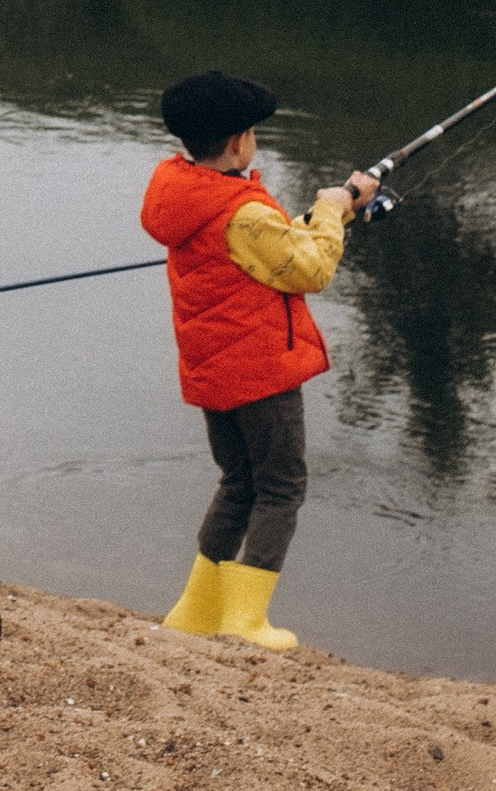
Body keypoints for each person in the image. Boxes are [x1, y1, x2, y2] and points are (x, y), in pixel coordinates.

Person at [144, 70, 377, 654]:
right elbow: (310, 270)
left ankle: (195, 611)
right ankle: (246, 621)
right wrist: (332, 206)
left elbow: (267, 251)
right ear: (238, 141)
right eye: (252, 133)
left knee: (238, 481)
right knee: (281, 486)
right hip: (259, 371)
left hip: (214, 370)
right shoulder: (240, 210)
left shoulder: (184, 191)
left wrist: (338, 214)